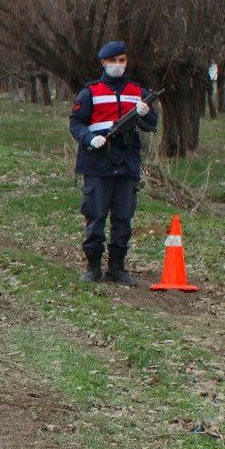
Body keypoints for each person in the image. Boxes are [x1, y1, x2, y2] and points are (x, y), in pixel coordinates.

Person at [69, 40, 157, 285]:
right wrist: (89, 138)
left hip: (127, 165)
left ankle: (117, 267)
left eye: (122, 61)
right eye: (114, 61)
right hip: (97, 164)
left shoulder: (137, 91)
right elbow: (75, 122)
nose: (119, 66)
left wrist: (144, 113)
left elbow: (152, 124)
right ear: (103, 63)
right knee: (95, 216)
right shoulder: (90, 92)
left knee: (123, 219)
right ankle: (93, 267)